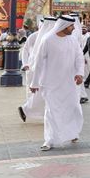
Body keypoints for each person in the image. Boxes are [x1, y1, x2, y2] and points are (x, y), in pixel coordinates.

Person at [29, 15, 85, 151]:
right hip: (51, 83)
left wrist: (79, 73)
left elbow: (79, 57)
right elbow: (39, 63)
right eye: (71, 26)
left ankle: (72, 133)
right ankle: (49, 140)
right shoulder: (47, 40)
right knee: (51, 112)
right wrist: (34, 83)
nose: (73, 28)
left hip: (69, 83)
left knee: (73, 108)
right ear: (64, 26)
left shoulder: (72, 40)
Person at [18, 16, 56, 122]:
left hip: (47, 71)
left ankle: (28, 110)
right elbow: (25, 50)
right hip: (33, 69)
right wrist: (25, 64)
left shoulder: (54, 38)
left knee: (41, 95)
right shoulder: (34, 36)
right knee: (36, 93)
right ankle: (27, 109)